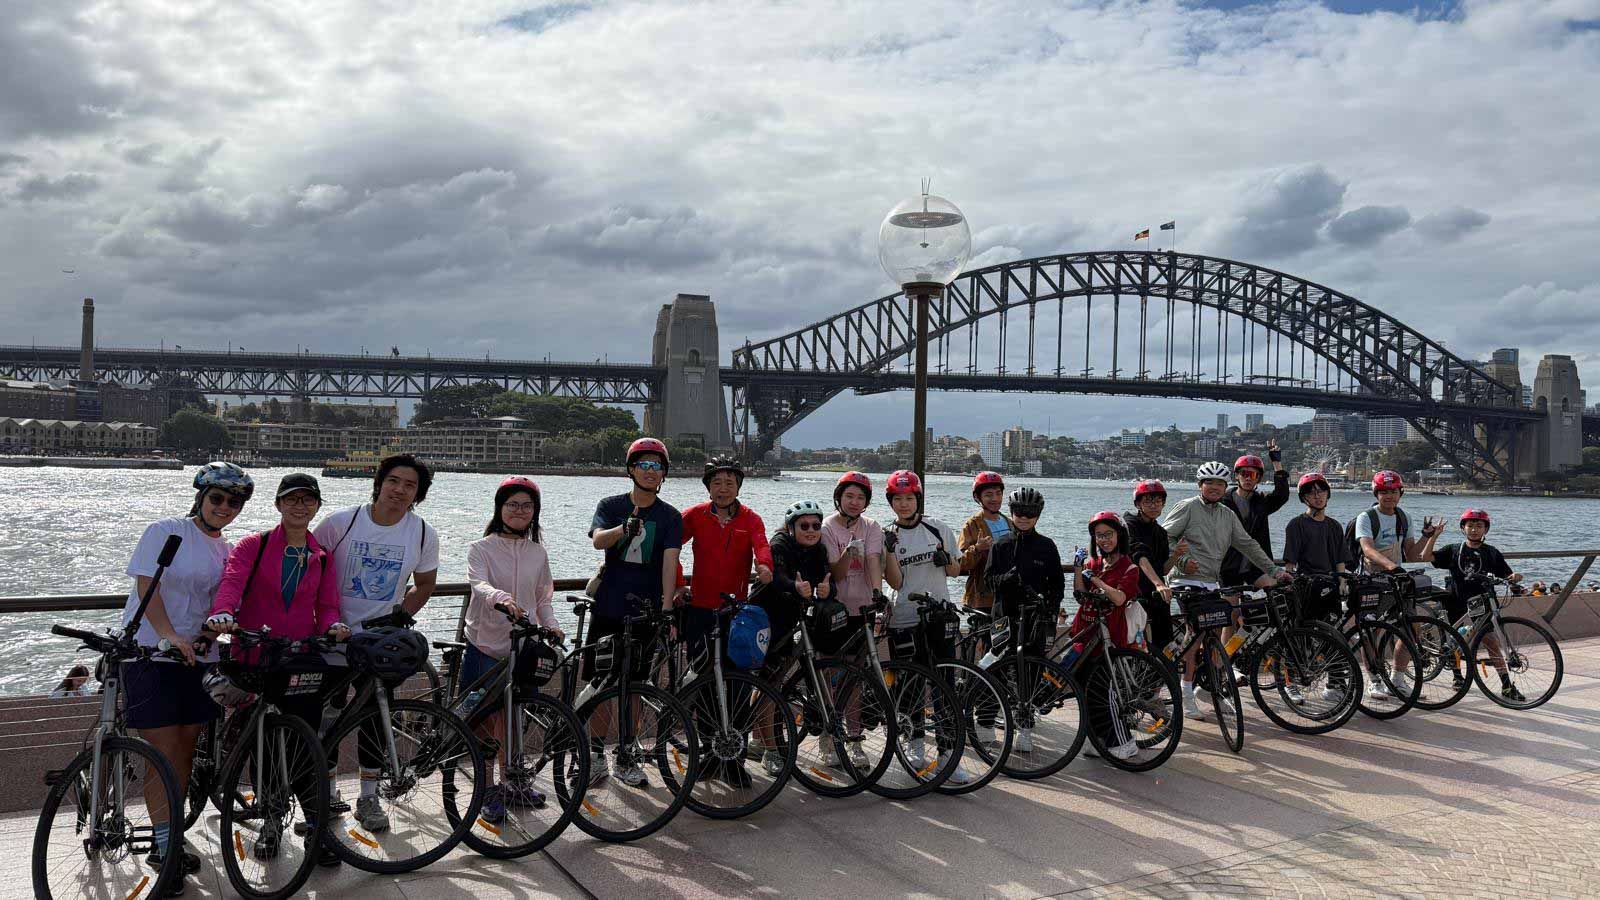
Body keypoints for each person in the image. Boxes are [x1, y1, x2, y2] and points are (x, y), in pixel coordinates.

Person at [122, 461, 252, 895]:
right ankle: (164, 849)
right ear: (201, 497)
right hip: (151, 652)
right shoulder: (166, 531)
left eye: (234, 502)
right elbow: (148, 586)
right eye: (217, 498)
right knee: (161, 752)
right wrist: (168, 635)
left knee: (184, 751)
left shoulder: (228, 549)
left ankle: (171, 834)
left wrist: (210, 634)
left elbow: (223, 601)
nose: (225, 507)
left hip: (199, 658)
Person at [206, 472, 346, 865]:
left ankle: (316, 829)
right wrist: (223, 612)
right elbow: (232, 582)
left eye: (307, 500)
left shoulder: (322, 555)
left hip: (300, 657)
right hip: (256, 654)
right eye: (292, 499)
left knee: (304, 744)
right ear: (278, 504)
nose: (300, 506)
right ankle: (270, 821)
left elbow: (327, 605)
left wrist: (333, 626)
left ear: (317, 506)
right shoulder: (255, 545)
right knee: (265, 746)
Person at [312, 453, 441, 832]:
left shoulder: (422, 533)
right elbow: (309, 569)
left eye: (410, 485)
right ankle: (326, 793)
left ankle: (368, 797)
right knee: (326, 721)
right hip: (332, 641)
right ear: (379, 483)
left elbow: (426, 584)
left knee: (375, 720)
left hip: (378, 647)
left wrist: (399, 617)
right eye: (394, 481)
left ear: (418, 494)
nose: (400, 490)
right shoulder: (340, 523)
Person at [462, 476, 562, 822]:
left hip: (524, 648)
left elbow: (542, 599)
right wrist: (501, 599)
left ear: (535, 512)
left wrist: (552, 624)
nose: (519, 511)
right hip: (485, 644)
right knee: (486, 721)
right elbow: (478, 583)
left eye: (526, 506)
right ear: (500, 509)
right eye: (512, 505)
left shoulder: (538, 552)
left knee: (515, 718)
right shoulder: (481, 548)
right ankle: (486, 788)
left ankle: (513, 782)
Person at [588, 437, 683, 787]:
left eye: (657, 466)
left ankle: (627, 753)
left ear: (664, 473)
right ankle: (594, 755)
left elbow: (670, 563)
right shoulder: (610, 504)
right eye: (643, 464)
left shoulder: (670, 516)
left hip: (646, 612)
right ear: (631, 469)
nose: (650, 471)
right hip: (609, 606)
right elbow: (598, 540)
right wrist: (622, 529)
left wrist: (667, 608)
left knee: (636, 687)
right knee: (600, 684)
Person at [1161, 461, 1290, 720]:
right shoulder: (1187, 507)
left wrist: (1274, 571)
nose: (1214, 487)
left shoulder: (1227, 515)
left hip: (1211, 581)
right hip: (1184, 580)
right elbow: (1163, 537)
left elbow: (1248, 545)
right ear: (1200, 485)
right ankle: (1185, 693)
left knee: (1214, 634)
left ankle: (1209, 684)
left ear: (1224, 486)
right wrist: (1182, 561)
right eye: (1208, 482)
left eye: (1219, 483)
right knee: (1196, 634)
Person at [881, 470, 970, 785]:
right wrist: (889, 551)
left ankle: (948, 753)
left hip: (938, 616)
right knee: (909, 685)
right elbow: (894, 583)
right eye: (898, 499)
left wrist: (945, 559)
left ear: (918, 499)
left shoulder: (938, 528)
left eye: (909, 498)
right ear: (891, 502)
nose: (904, 504)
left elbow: (956, 571)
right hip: (903, 617)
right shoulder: (887, 534)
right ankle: (914, 742)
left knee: (945, 684)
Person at [756, 499, 834, 776]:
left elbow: (828, 581)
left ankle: (759, 740)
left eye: (816, 525)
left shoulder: (819, 549)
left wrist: (827, 591)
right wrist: (794, 586)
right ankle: (769, 750)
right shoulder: (780, 544)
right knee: (770, 684)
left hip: (793, 617)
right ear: (791, 527)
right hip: (769, 617)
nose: (811, 530)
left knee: (776, 681)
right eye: (804, 526)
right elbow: (776, 578)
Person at [984, 486, 1064, 754]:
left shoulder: (1047, 546)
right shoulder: (1000, 545)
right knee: (995, 670)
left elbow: (1057, 585)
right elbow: (988, 581)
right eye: (1019, 512)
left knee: (1029, 674)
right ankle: (985, 722)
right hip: (1003, 617)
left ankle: (1025, 728)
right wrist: (1006, 579)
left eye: (1030, 513)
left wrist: (1050, 610)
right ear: (1012, 512)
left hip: (1034, 619)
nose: (1024, 517)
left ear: (1038, 515)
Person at [678, 457, 774, 663]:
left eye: (730, 483)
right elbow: (670, 548)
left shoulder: (751, 519)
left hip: (734, 607)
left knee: (734, 669)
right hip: (699, 606)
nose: (723, 489)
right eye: (717, 483)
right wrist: (678, 583)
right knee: (698, 667)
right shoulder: (694, 515)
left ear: (738, 488)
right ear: (708, 488)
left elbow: (762, 545)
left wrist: (765, 566)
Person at [820, 471, 884, 769]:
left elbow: (873, 561)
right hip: (835, 612)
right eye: (849, 496)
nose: (855, 502)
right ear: (839, 498)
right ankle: (828, 737)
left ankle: (855, 741)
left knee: (856, 679)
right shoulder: (826, 527)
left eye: (860, 497)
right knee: (830, 677)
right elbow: (837, 573)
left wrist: (877, 595)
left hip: (862, 611)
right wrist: (848, 552)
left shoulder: (872, 527)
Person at [1071, 511, 1145, 761]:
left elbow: (1119, 598)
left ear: (1119, 536)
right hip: (1084, 634)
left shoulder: (1129, 567)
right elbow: (1080, 595)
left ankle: (1123, 742)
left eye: (1108, 534)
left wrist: (1096, 580)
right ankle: (1097, 739)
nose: (1103, 540)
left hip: (1109, 640)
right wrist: (1079, 569)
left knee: (1105, 693)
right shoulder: (1093, 563)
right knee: (1086, 692)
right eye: (1099, 536)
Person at [1431, 508, 1525, 701]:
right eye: (1470, 525)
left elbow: (1506, 573)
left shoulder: (1491, 552)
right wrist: (1433, 536)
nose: (1474, 529)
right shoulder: (1453, 550)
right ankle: (1457, 676)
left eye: (1479, 526)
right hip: (1455, 599)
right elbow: (1427, 557)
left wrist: (1514, 577)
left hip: (1481, 602)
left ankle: (1506, 685)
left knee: (1491, 641)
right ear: (1463, 528)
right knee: (1454, 639)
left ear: (1485, 529)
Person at [1219, 444, 1291, 589]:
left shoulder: (1261, 503)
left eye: (1253, 475)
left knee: (1278, 592)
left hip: (1256, 566)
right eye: (1244, 473)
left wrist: (1276, 462)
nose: (1248, 478)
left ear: (1258, 478)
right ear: (1237, 475)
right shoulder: (1223, 502)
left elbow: (1281, 495)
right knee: (1231, 603)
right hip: (1229, 565)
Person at [1123, 480, 1178, 654]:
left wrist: (1177, 555)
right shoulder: (1128, 524)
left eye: (1158, 501)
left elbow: (1163, 570)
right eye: (1148, 501)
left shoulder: (1160, 532)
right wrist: (1159, 584)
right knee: (1136, 644)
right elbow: (1139, 556)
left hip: (1156, 594)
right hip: (1134, 590)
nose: (1154, 505)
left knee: (1165, 643)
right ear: (1138, 504)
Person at [1354, 470, 1444, 574]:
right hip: (1370, 575)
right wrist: (1392, 566)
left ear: (1400, 493)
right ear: (1376, 494)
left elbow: (1411, 556)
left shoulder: (1404, 517)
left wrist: (1426, 536)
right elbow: (1368, 550)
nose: (1389, 496)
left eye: (1394, 492)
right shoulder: (1366, 517)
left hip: (1395, 575)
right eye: (1384, 492)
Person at [957, 471, 1010, 613]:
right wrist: (977, 548)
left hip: (1009, 597)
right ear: (977, 497)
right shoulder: (971, 526)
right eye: (988, 495)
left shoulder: (1010, 523)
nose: (995, 499)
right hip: (982, 600)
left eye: (998, 493)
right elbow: (959, 563)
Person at [1282, 472, 1349, 578]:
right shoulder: (1296, 525)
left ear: (1327, 494)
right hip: (1306, 581)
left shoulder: (1335, 526)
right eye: (1311, 493)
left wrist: (1342, 581)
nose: (1317, 496)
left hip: (1332, 581)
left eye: (1321, 491)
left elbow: (1340, 560)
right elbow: (1290, 562)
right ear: (1304, 497)